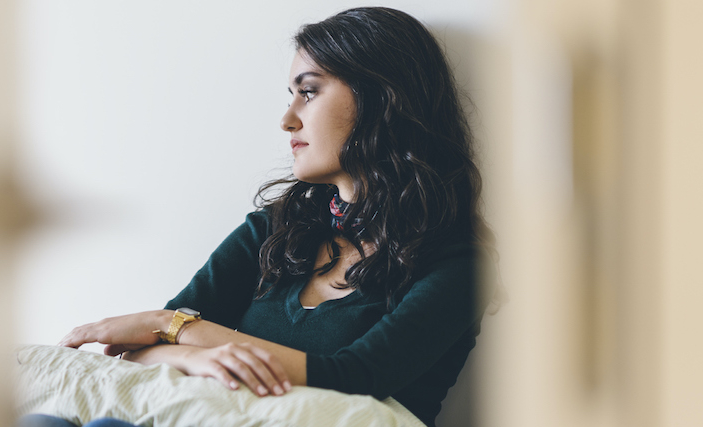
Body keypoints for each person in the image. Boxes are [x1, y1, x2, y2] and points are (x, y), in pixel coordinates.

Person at [35, 7, 494, 427]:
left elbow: (358, 376)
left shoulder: (457, 264)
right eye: (291, 95)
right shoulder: (276, 229)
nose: (287, 120)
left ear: (381, 100)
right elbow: (137, 353)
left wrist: (179, 327)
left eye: (309, 93)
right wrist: (192, 357)